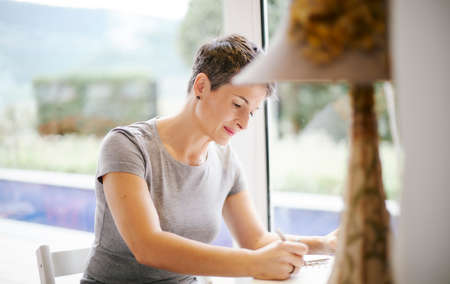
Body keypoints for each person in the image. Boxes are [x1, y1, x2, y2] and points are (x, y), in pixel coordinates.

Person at [81, 34, 337, 284]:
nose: (245, 123)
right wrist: (256, 263)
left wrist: (325, 245)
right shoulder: (127, 146)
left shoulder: (225, 161)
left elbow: (257, 240)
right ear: (201, 86)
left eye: (253, 112)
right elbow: (147, 246)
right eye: (238, 104)